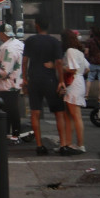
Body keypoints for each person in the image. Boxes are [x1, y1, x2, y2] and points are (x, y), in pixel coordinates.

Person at [21, 15, 70, 156]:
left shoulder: (30, 41)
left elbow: (24, 61)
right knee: (58, 113)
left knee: (35, 112)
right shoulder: (55, 42)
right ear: (48, 27)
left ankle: (39, 145)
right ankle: (63, 145)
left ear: (37, 26)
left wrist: (25, 79)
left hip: (34, 79)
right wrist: (60, 80)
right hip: (50, 79)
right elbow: (59, 62)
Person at [0, 23, 24, 141]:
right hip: (16, 81)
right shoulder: (18, 44)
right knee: (10, 108)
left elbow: (4, 71)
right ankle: (11, 132)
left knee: (10, 109)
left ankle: (14, 134)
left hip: (8, 84)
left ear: (2, 34)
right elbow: (4, 60)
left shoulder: (8, 48)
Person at [61, 29, 89, 153]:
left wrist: (60, 67)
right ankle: (69, 143)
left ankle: (80, 144)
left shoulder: (70, 51)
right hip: (79, 81)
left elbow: (72, 69)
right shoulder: (79, 52)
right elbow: (87, 68)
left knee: (75, 116)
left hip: (73, 83)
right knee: (70, 116)